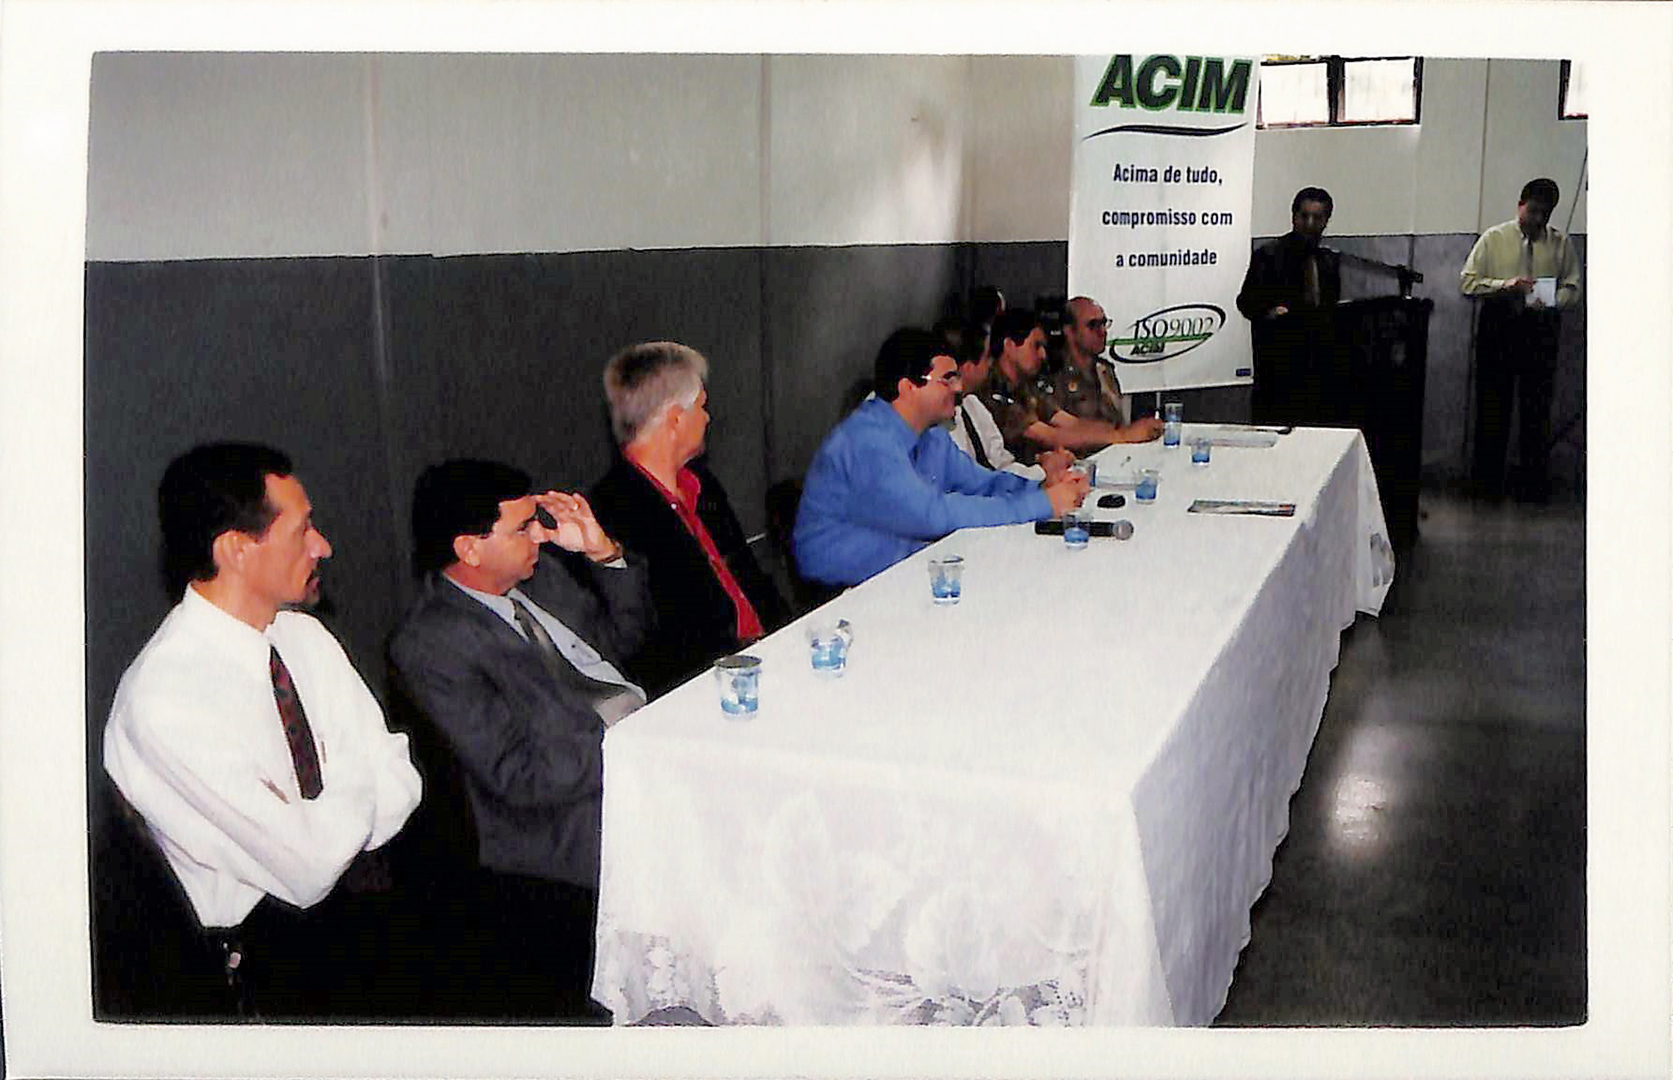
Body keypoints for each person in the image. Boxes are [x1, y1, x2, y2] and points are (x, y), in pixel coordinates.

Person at [103, 442, 423, 1018]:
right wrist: (354, 776)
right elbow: (309, 870)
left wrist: (327, 819)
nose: (323, 546)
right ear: (236, 550)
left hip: (369, 919)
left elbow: (403, 781)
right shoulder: (163, 699)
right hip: (269, 972)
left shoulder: (304, 638)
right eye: (302, 531)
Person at [389, 459, 650, 1020]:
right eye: (523, 527)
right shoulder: (431, 644)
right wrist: (630, 750)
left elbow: (627, 643)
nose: (542, 535)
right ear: (469, 548)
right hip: (564, 818)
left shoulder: (540, 578)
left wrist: (604, 554)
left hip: (631, 750)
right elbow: (519, 776)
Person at [793, 326, 1089, 588]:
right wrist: (1042, 504)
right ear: (908, 387)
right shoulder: (866, 441)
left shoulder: (930, 434)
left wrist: (1042, 488)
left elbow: (982, 484)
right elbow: (932, 516)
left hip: (903, 571)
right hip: (840, 595)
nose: (958, 388)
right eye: (947, 379)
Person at [589, 341, 788, 699]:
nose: (708, 418)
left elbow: (751, 578)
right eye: (702, 407)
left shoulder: (700, 485)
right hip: (707, 689)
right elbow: (655, 645)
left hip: (770, 657)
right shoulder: (613, 513)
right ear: (675, 420)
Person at [1460, 177, 1582, 502]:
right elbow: (1468, 282)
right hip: (1499, 325)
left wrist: (1553, 300)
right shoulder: (1493, 238)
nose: (1538, 219)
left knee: (1536, 409)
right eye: (1533, 211)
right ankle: (1486, 485)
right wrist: (1505, 285)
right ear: (1520, 206)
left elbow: (1573, 286)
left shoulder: (1561, 244)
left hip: (1541, 330)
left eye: (1545, 214)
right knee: (1492, 406)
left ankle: (1533, 485)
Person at [978, 307, 1162, 467]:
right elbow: (1051, 436)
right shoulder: (995, 391)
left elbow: (1070, 423)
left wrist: (1125, 431)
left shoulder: (1025, 386)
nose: (1043, 355)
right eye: (1036, 346)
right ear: (1009, 346)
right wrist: (1123, 436)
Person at [1236, 186, 1344, 425]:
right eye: (1304, 216)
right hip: (1279, 368)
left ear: (1326, 221)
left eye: (1317, 218)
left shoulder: (1328, 260)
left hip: (1317, 368)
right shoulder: (1269, 255)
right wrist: (1270, 312)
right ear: (1293, 216)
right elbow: (1245, 302)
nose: (1309, 223)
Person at [947, 324, 1073, 482]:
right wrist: (1042, 472)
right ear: (968, 367)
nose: (991, 363)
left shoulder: (973, 404)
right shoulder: (942, 421)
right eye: (987, 357)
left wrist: (1040, 464)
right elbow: (977, 480)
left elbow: (1001, 463)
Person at [1056, 296, 1133, 427]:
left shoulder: (1104, 370)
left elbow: (1118, 419)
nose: (1102, 331)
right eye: (1093, 325)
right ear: (1070, 331)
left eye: (1103, 323)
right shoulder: (1057, 374)